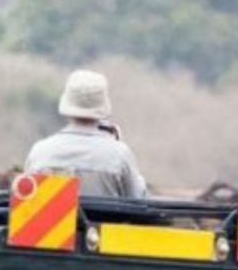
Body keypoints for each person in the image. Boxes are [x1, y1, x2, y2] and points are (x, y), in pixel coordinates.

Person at [25, 69, 147, 199]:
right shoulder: (120, 154)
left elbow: (27, 200)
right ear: (102, 105)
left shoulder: (40, 152)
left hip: (49, 220)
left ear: (67, 104)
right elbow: (137, 199)